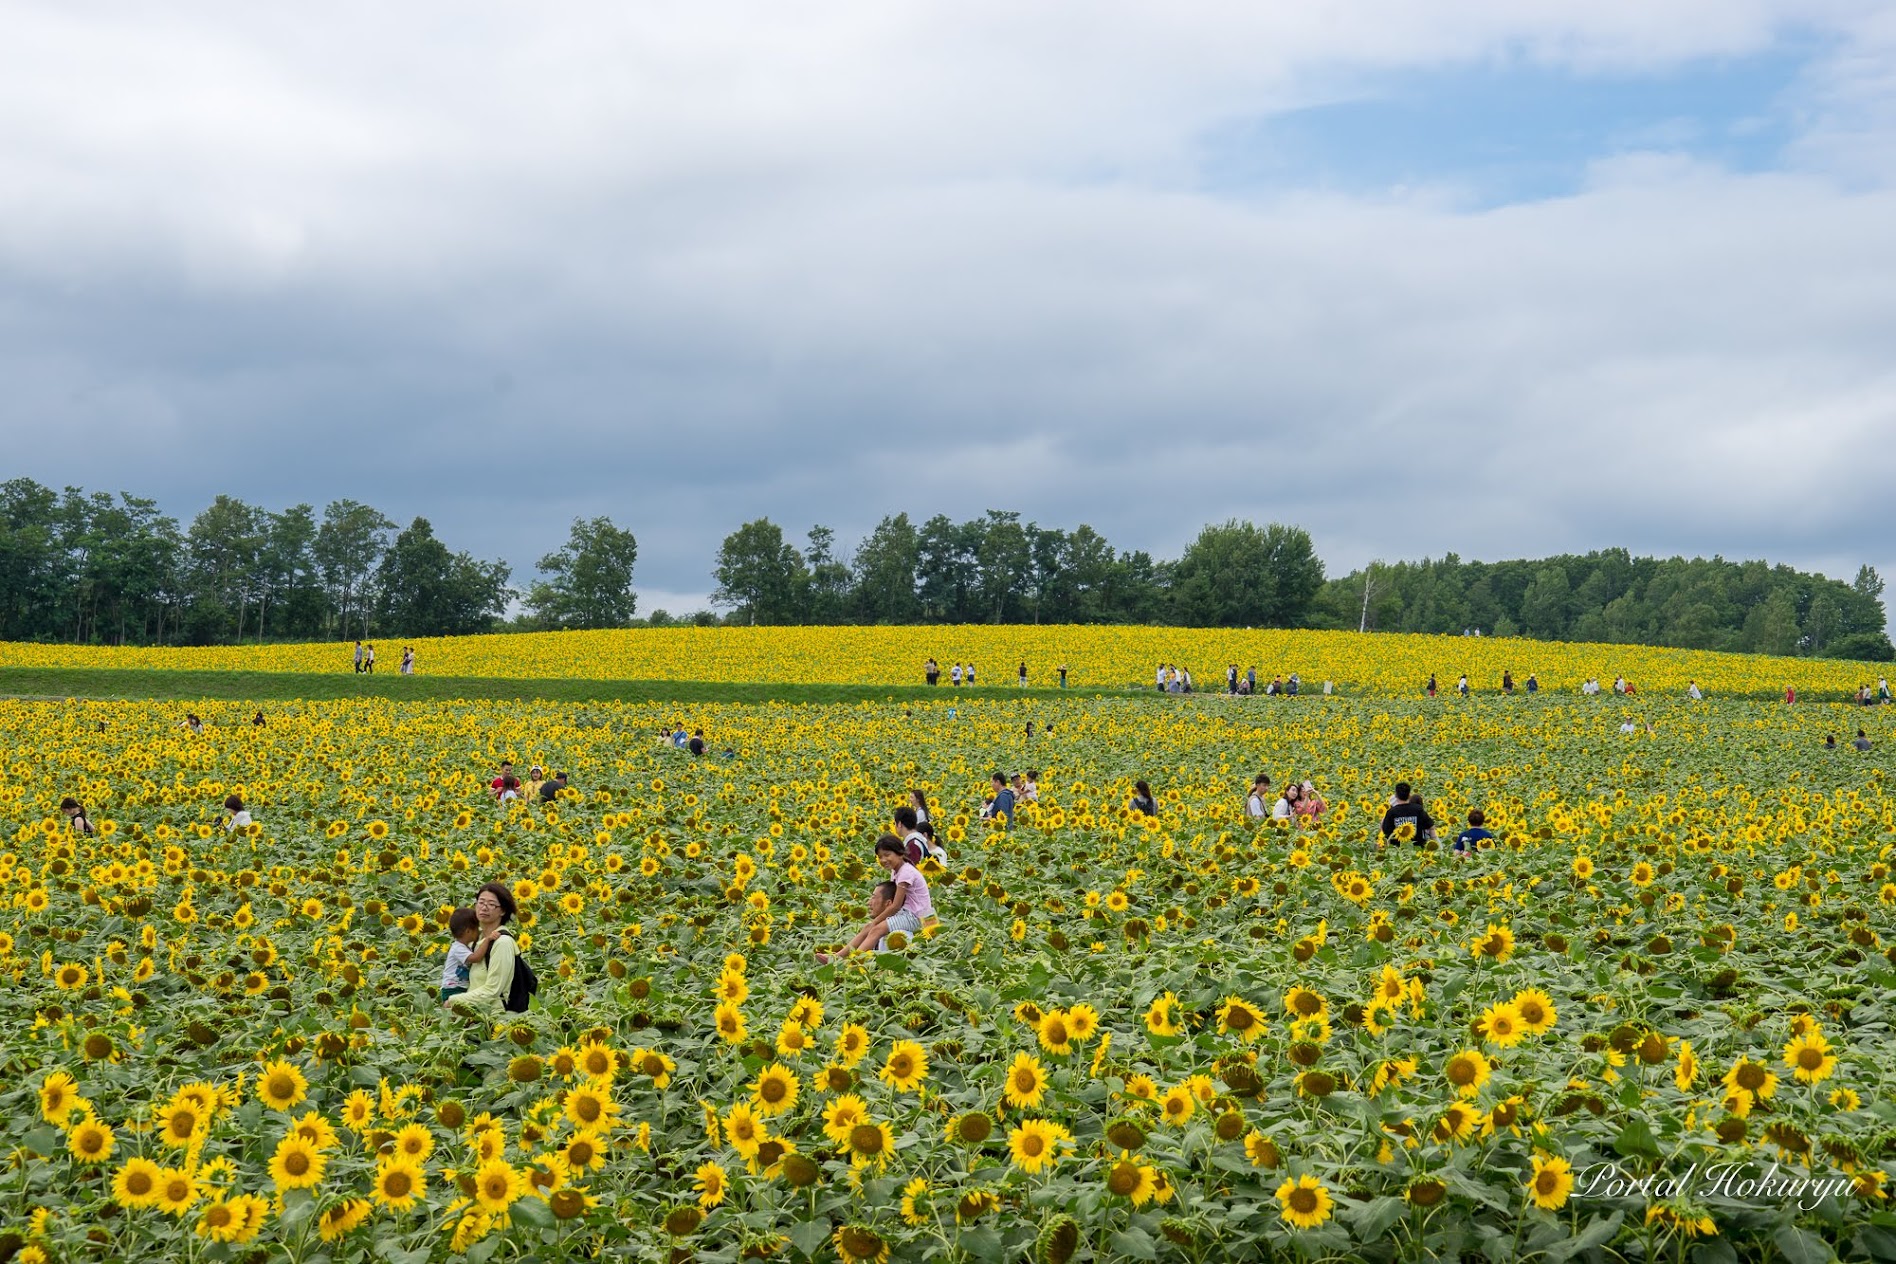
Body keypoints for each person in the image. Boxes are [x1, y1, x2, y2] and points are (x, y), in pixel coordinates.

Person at [449, 883, 520, 1018]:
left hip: (494, 1018)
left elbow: (493, 990)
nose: (484, 907)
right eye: (481, 902)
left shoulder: (502, 943)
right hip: (475, 1014)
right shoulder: (477, 938)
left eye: (491, 904)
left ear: (503, 911)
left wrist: (454, 1001)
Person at [439, 907, 479, 1005]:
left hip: (458, 987)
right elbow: (475, 958)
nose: (479, 931)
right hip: (453, 988)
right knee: (457, 1014)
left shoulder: (464, 946)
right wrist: (487, 940)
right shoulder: (458, 948)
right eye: (477, 928)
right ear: (468, 931)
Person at [1379, 783, 1434, 847]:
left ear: (1396, 795)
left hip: (1397, 850)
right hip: (1417, 850)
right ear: (1409, 795)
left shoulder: (1391, 812)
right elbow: (1431, 827)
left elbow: (1385, 833)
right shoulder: (1418, 809)